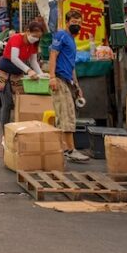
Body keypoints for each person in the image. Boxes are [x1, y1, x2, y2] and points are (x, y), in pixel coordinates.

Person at [49, 8, 89, 163]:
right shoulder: (61, 36)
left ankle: (65, 148)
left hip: (67, 80)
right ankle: (71, 150)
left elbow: (71, 66)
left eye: (79, 23)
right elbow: (53, 55)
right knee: (67, 115)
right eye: (73, 22)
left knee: (66, 115)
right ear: (67, 22)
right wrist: (52, 77)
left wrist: (77, 85)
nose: (76, 25)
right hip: (58, 79)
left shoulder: (72, 40)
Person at [0, 20, 47, 128]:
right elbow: (14, 58)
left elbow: (33, 61)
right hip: (3, 72)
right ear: (27, 31)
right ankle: (5, 131)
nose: (36, 38)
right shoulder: (16, 38)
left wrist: (41, 74)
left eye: (38, 37)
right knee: (7, 103)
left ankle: (18, 128)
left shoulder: (34, 44)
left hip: (17, 74)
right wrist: (28, 70)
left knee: (20, 102)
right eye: (34, 35)